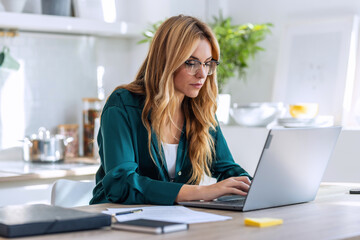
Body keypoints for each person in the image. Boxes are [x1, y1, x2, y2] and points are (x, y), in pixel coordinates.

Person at [90, 15, 251, 205]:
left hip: (175, 221)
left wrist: (253, 187)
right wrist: (202, 191)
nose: (202, 74)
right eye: (191, 63)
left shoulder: (200, 109)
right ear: (167, 61)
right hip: (114, 221)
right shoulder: (122, 105)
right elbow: (121, 183)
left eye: (207, 63)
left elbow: (226, 169)